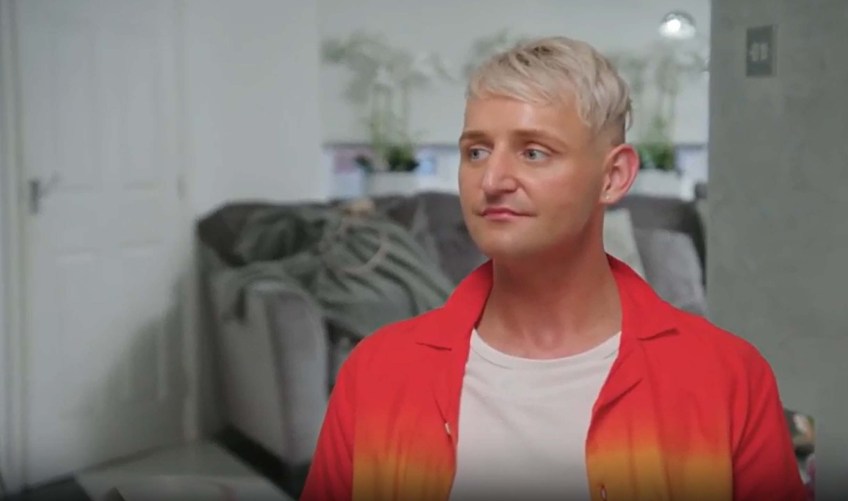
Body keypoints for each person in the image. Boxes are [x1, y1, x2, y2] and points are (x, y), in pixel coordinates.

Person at [301, 36, 805, 501]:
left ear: (613, 176)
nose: (492, 179)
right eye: (476, 151)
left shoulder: (727, 379)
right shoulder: (377, 374)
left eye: (534, 152)